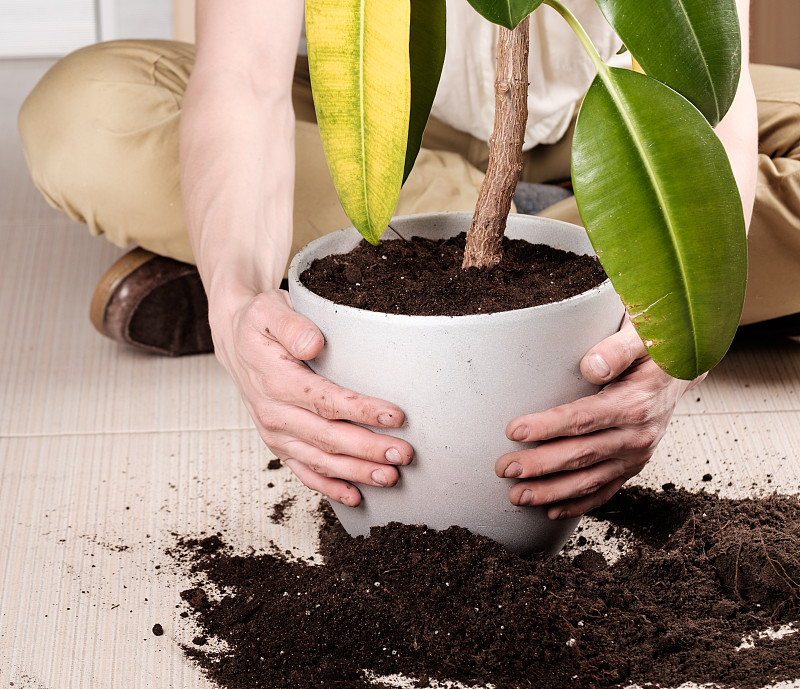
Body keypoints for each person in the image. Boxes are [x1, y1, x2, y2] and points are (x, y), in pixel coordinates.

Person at [19, 0, 791, 522]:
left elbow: (710, 91)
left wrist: (679, 331)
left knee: (714, 150)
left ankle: (380, 272)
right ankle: (567, 242)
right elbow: (244, 79)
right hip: (378, 127)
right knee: (87, 115)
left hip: (628, 115)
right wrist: (234, 295)